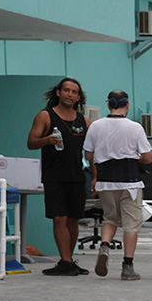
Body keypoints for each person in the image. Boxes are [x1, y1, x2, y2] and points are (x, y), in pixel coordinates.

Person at [83, 91, 152, 280]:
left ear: (108, 105)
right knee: (131, 225)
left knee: (110, 218)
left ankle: (105, 245)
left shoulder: (96, 126)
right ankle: (127, 266)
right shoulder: (135, 127)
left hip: (105, 182)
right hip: (130, 183)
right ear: (127, 105)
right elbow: (148, 157)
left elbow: (88, 155)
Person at [26, 77, 91, 275]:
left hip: (77, 176)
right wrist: (46, 140)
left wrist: (96, 176)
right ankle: (64, 260)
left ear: (79, 96)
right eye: (66, 90)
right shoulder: (46, 116)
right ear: (58, 93)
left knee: (73, 219)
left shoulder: (84, 121)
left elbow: (91, 151)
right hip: (54, 176)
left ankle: (69, 261)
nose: (69, 94)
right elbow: (31, 142)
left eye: (74, 92)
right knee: (59, 218)